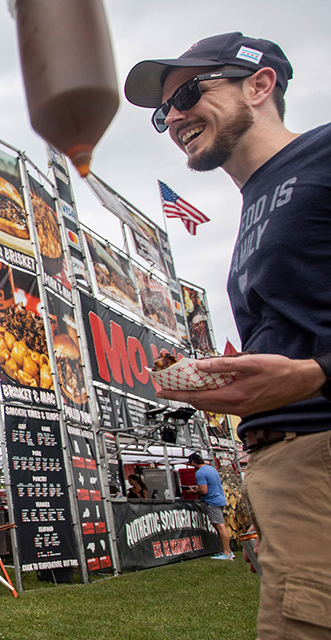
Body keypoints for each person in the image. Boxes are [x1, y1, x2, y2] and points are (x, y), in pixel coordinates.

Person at [125, 32, 331, 638]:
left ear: (260, 85)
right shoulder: (257, 201)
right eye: (164, 112)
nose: (174, 118)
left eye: (188, 92)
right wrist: (221, 376)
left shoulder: (322, 154)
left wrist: (316, 372)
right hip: (286, 464)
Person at [185, 453, 232, 560]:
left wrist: (193, 491)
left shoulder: (200, 473)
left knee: (220, 527)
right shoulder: (211, 469)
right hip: (219, 499)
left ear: (193, 462)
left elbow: (204, 490)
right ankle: (227, 551)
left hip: (212, 501)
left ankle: (227, 553)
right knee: (221, 526)